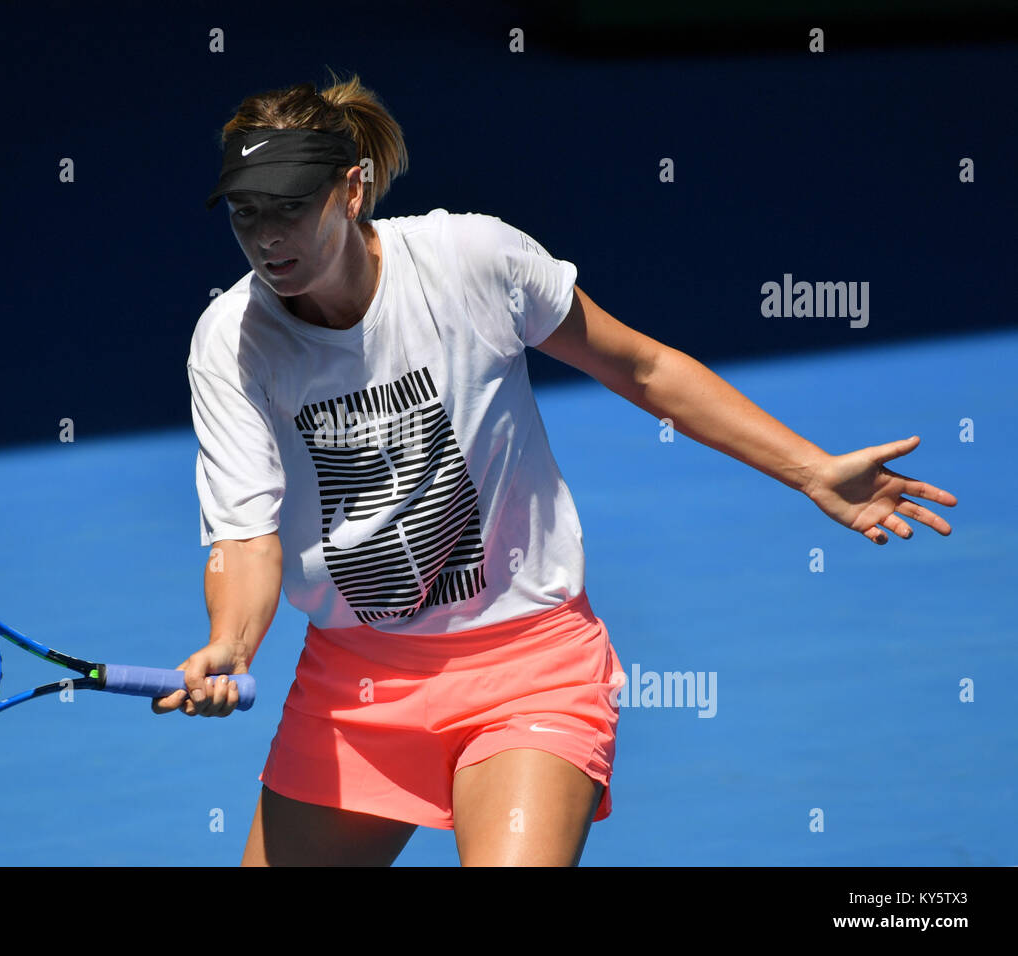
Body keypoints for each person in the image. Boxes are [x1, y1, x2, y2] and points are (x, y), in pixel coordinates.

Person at [152, 72, 957, 866]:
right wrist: (230, 644)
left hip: (527, 664)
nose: (266, 236)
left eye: (290, 206)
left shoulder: (473, 259)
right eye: (246, 213)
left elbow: (642, 368)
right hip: (354, 680)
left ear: (352, 189)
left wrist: (809, 469)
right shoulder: (230, 340)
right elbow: (246, 539)